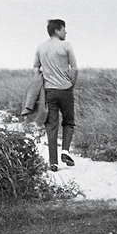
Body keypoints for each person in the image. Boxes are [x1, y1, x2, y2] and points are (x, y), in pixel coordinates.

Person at [33, 18, 77, 171]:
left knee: (51, 126)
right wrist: (71, 85)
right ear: (57, 31)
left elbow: (35, 69)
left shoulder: (40, 47)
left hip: (49, 91)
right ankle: (65, 151)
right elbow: (74, 69)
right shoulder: (66, 45)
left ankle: (53, 162)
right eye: (64, 29)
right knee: (69, 122)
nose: (66, 32)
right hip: (65, 90)